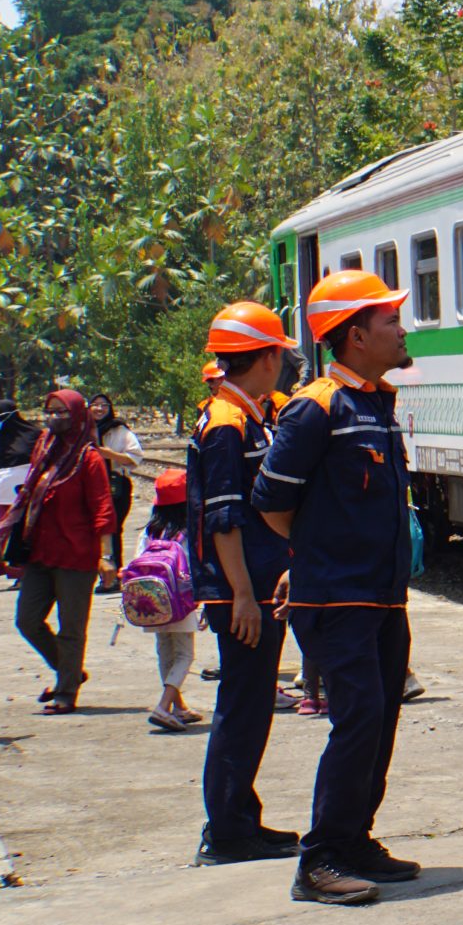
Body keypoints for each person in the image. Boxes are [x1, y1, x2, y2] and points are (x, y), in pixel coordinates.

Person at [254, 270, 422, 908]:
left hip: (382, 595)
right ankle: (320, 857)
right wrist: (312, 555)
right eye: (390, 322)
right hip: (336, 596)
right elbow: (271, 499)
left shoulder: (376, 401)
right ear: (355, 336)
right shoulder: (316, 406)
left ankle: (355, 839)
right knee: (358, 719)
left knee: (380, 719)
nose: (401, 331)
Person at [190, 301, 302, 865]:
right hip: (243, 587)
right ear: (264, 357)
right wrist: (241, 595)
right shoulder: (228, 425)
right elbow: (224, 516)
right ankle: (228, 832)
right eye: (279, 350)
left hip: (252, 583)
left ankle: (241, 819)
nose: (284, 359)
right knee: (242, 704)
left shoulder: (246, 413)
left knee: (253, 703)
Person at [0, 389, 116, 714]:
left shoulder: (89, 459)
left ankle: (66, 692)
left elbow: (103, 508)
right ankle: (71, 672)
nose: (54, 418)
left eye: (62, 413)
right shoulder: (44, 447)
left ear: (78, 416)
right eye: (50, 411)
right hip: (39, 552)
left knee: (71, 628)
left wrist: (107, 557)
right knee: (27, 620)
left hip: (76, 556)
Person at [123, 469, 203, 732]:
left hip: (152, 602)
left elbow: (136, 561)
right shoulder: (189, 530)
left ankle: (178, 707)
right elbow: (195, 566)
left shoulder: (150, 530)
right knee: (185, 655)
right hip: (180, 603)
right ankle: (163, 705)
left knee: (165, 652)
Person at [89, 393, 144, 579]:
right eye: (95, 405)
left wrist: (108, 454)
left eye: (103, 405)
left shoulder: (119, 430)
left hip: (115, 486)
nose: (99, 408)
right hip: (89, 486)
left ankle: (113, 576)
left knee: (112, 529)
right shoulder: (82, 429)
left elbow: (135, 457)